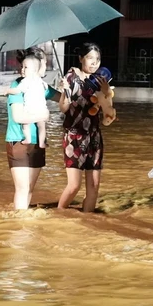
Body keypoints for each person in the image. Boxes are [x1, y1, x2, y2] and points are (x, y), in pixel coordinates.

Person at [56, 42, 116, 212]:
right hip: (74, 136)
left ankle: (87, 221)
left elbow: (108, 112)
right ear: (81, 58)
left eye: (97, 59)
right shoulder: (70, 78)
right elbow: (64, 109)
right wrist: (65, 91)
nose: (94, 62)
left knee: (94, 186)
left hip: (94, 138)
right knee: (74, 185)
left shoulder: (101, 81)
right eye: (90, 58)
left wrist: (105, 93)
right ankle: (59, 214)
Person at [5, 48, 59, 210]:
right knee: (22, 189)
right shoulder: (19, 85)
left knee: (29, 189)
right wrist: (43, 116)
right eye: (44, 61)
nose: (46, 65)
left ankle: (24, 227)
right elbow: (18, 117)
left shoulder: (42, 86)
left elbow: (65, 101)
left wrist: (68, 88)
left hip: (37, 143)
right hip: (18, 141)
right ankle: (20, 227)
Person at [5, 56, 48, 148]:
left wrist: (8, 91)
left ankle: (27, 138)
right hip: (41, 109)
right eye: (22, 67)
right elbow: (46, 87)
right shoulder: (40, 81)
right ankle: (42, 143)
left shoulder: (25, 82)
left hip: (30, 109)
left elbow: (17, 90)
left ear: (35, 70)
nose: (22, 70)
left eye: (26, 67)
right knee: (42, 126)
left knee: (25, 124)